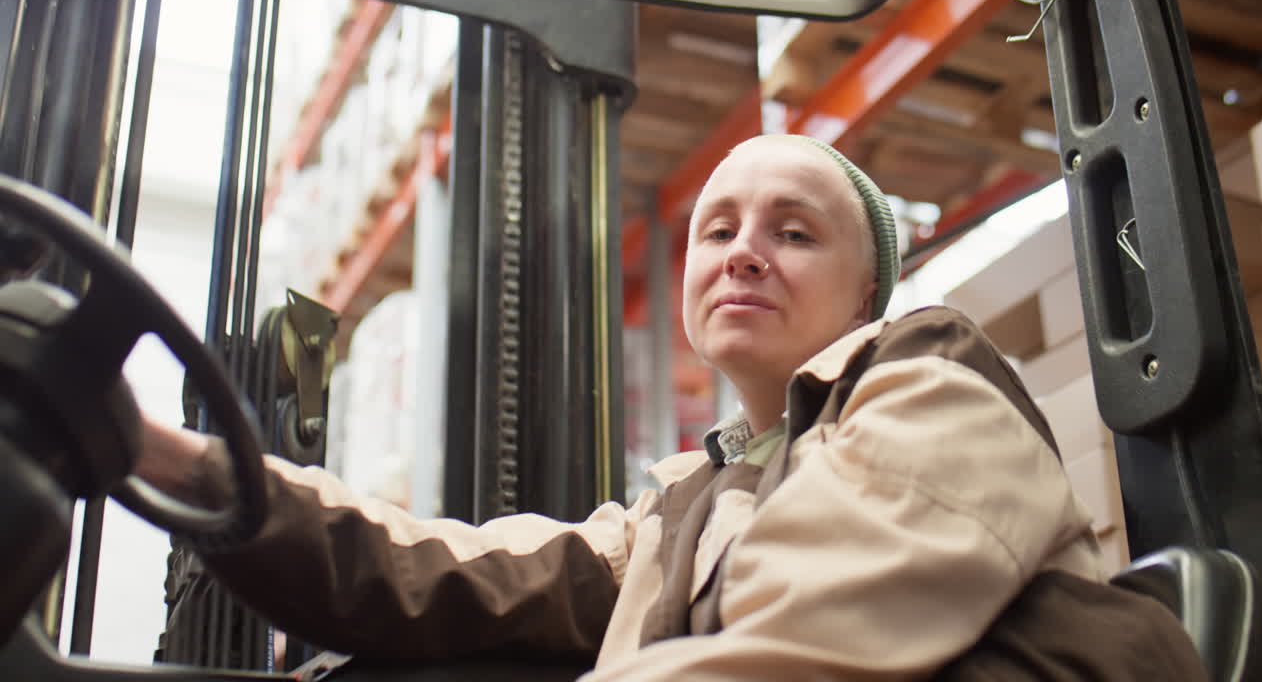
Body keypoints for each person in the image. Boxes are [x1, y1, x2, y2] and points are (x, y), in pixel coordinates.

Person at [135, 134, 1205, 680]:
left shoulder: (927, 374)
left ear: (864, 294)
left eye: (792, 232)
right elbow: (445, 571)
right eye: (717, 228)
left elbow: (808, 629)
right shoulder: (683, 502)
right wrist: (182, 466)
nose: (742, 249)